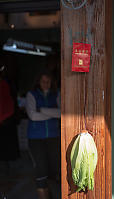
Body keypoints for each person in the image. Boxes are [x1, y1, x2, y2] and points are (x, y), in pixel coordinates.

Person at [26, 71, 61, 199]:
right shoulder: (32, 95)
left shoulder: (56, 94)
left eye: (48, 81)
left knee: (54, 170)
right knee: (41, 170)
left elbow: (61, 113)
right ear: (38, 82)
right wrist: (52, 113)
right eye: (43, 81)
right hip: (36, 139)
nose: (46, 84)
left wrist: (41, 109)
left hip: (53, 137)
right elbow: (33, 116)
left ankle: (50, 194)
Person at [0, 65, 20, 162]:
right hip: (6, 118)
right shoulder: (6, 83)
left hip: (7, 118)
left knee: (8, 146)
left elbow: (10, 102)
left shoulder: (6, 83)